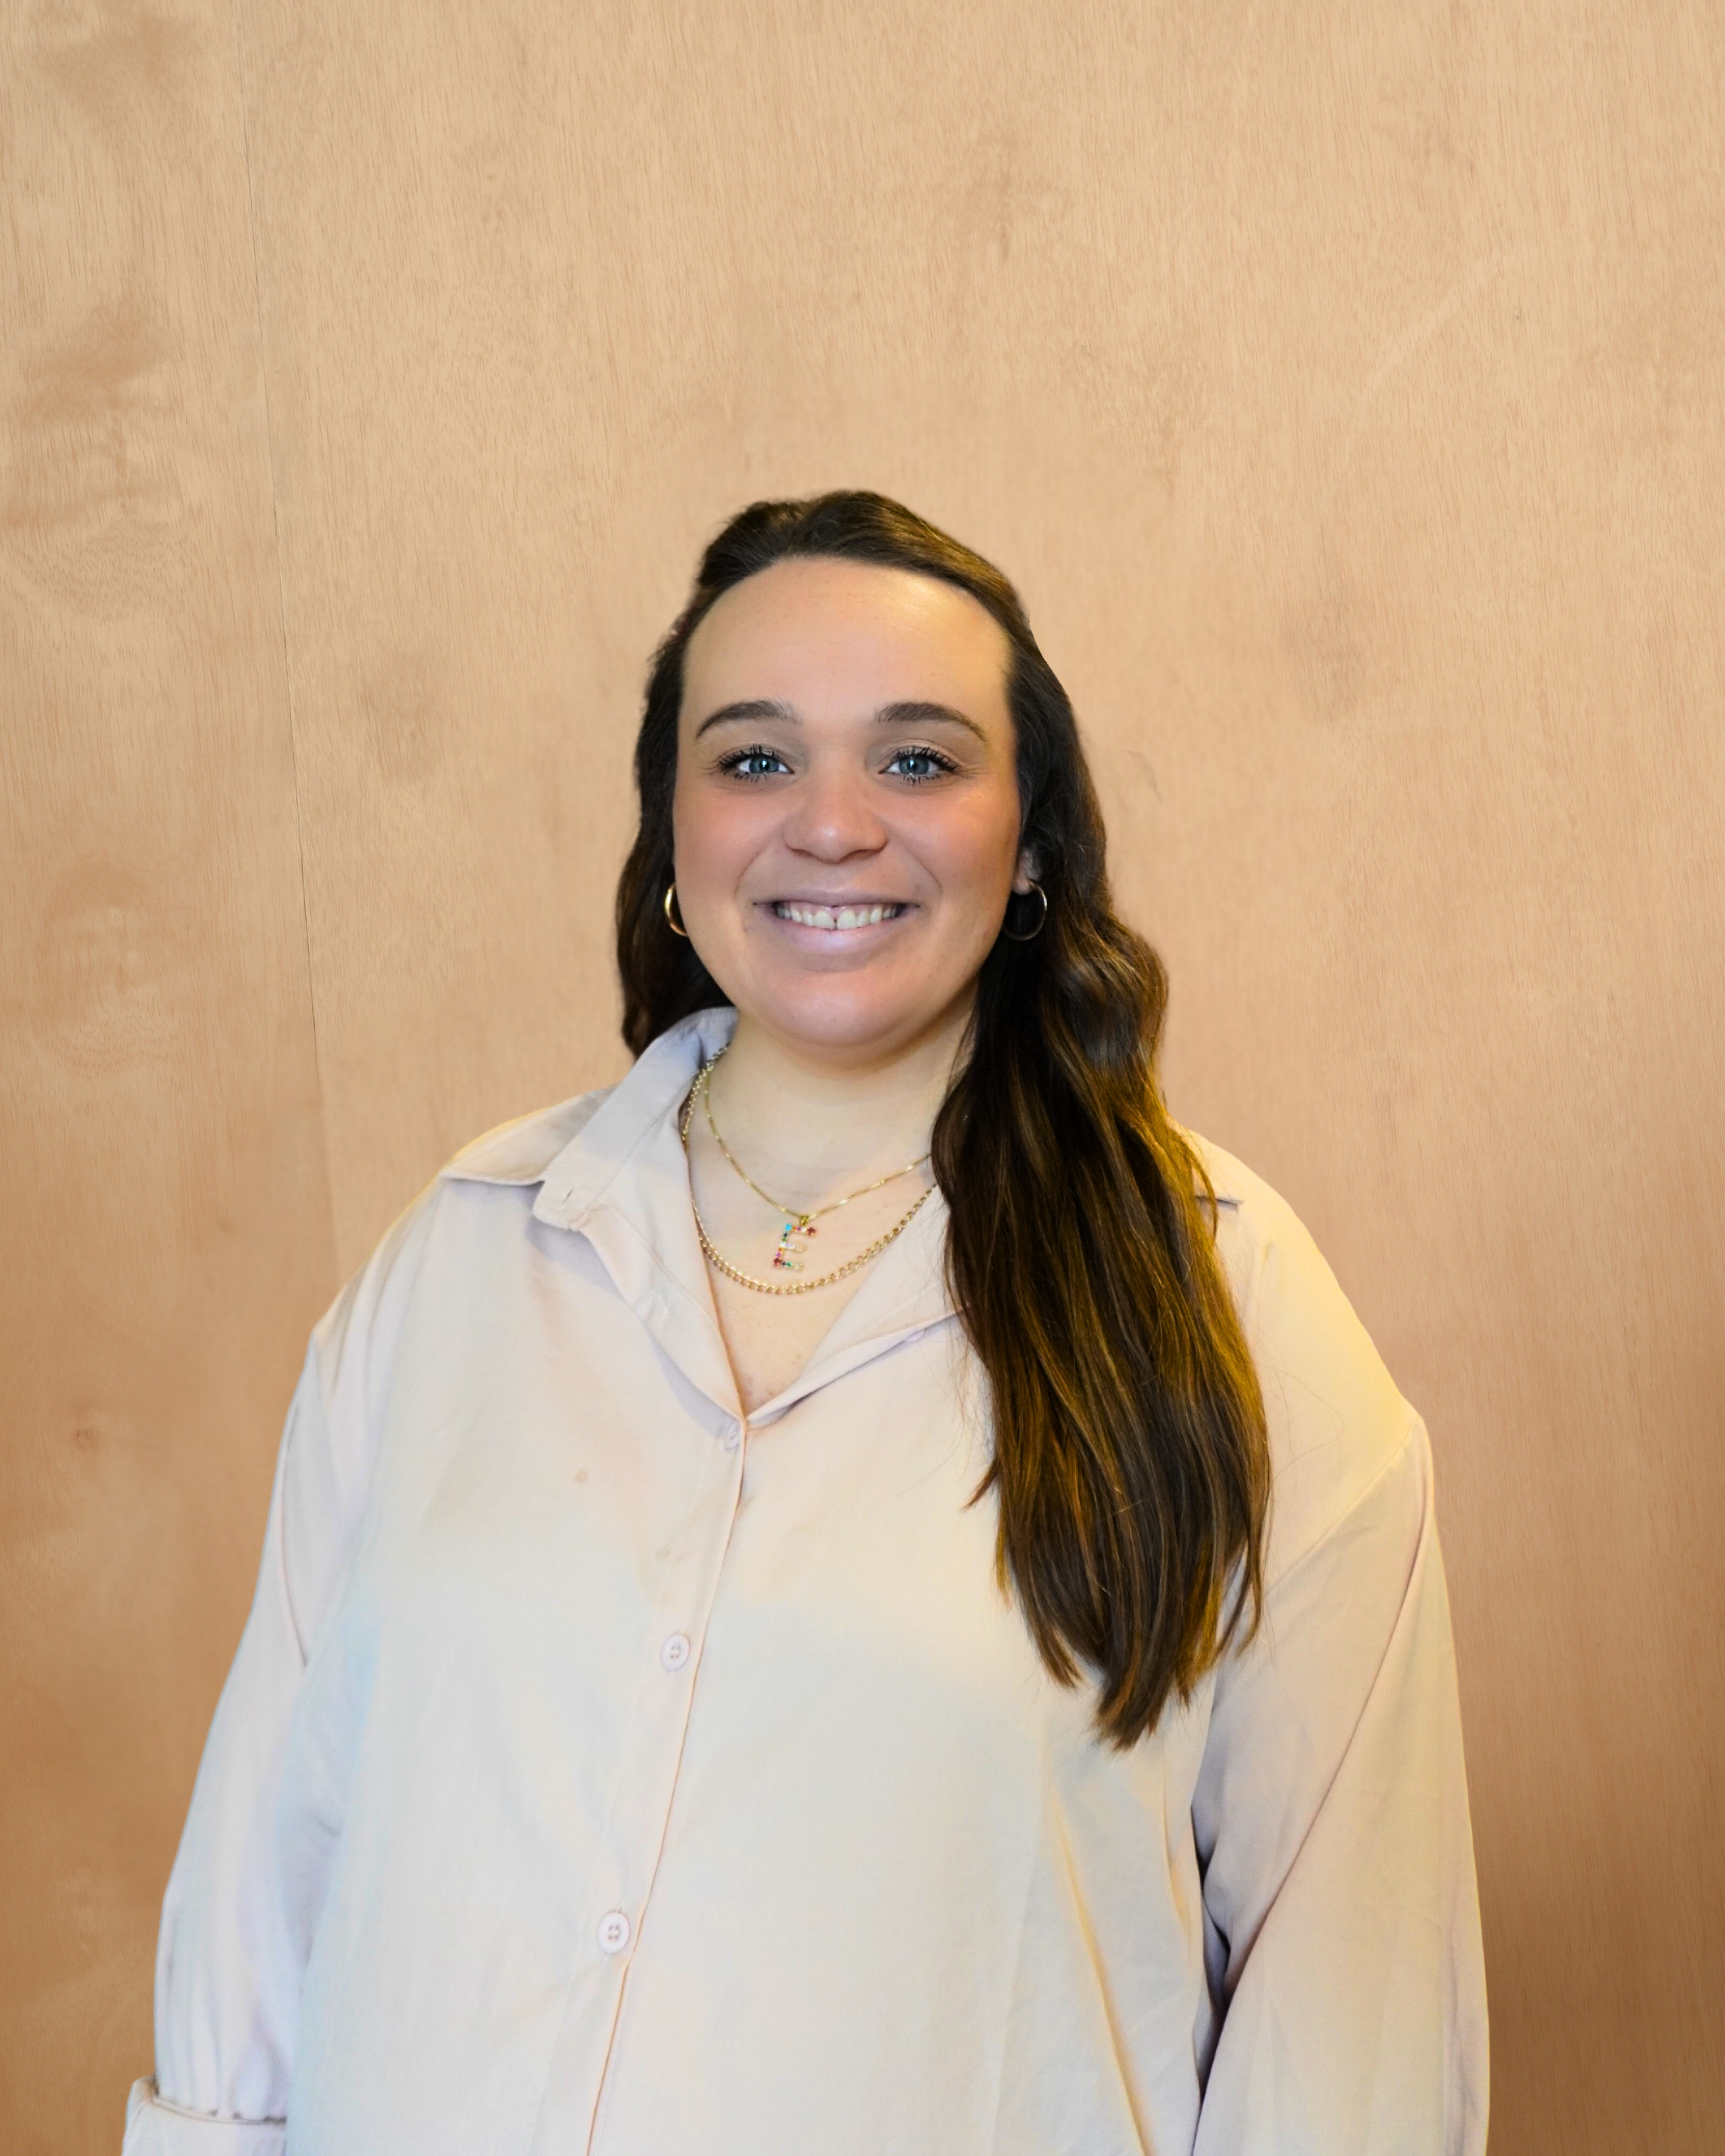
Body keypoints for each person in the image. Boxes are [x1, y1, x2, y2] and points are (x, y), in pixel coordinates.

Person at [123, 492, 1488, 2155]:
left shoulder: (1229, 1302)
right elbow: (269, 1897)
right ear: (675, 837)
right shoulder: (456, 1269)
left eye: (918, 759)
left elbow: (1349, 2009)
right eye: (755, 759)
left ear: (1035, 839)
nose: (831, 824)